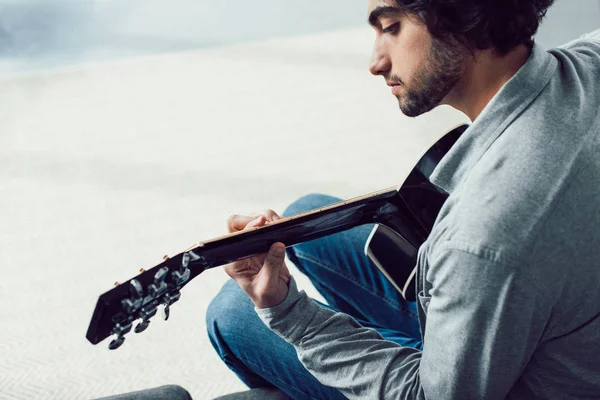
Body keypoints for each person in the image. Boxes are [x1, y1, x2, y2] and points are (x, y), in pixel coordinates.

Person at [206, 0, 600, 398]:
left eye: (391, 28)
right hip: (541, 320)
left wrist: (290, 314)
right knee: (303, 215)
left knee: (235, 315)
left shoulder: (478, 240)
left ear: (465, 18)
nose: (376, 62)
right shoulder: (592, 60)